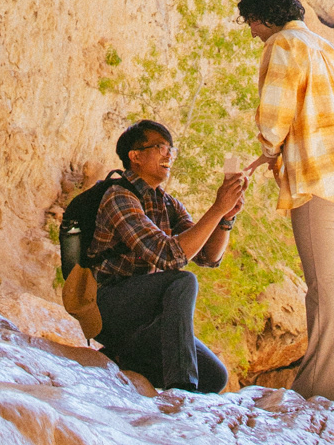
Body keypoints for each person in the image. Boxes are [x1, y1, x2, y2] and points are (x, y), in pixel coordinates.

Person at [239, 0, 334, 404]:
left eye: (252, 23)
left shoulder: (283, 44)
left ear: (265, 16)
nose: (252, 32)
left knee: (321, 285)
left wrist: (268, 152)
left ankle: (323, 389)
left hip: (317, 175)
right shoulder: (327, 48)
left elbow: (275, 114)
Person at [87, 118, 247, 393]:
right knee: (181, 281)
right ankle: (181, 388)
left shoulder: (166, 203)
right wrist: (217, 208)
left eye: (171, 150)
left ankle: (120, 357)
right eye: (160, 148)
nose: (168, 155)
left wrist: (226, 217)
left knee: (214, 376)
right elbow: (170, 257)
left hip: (142, 315)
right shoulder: (118, 196)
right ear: (135, 157)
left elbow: (208, 257)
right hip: (105, 306)